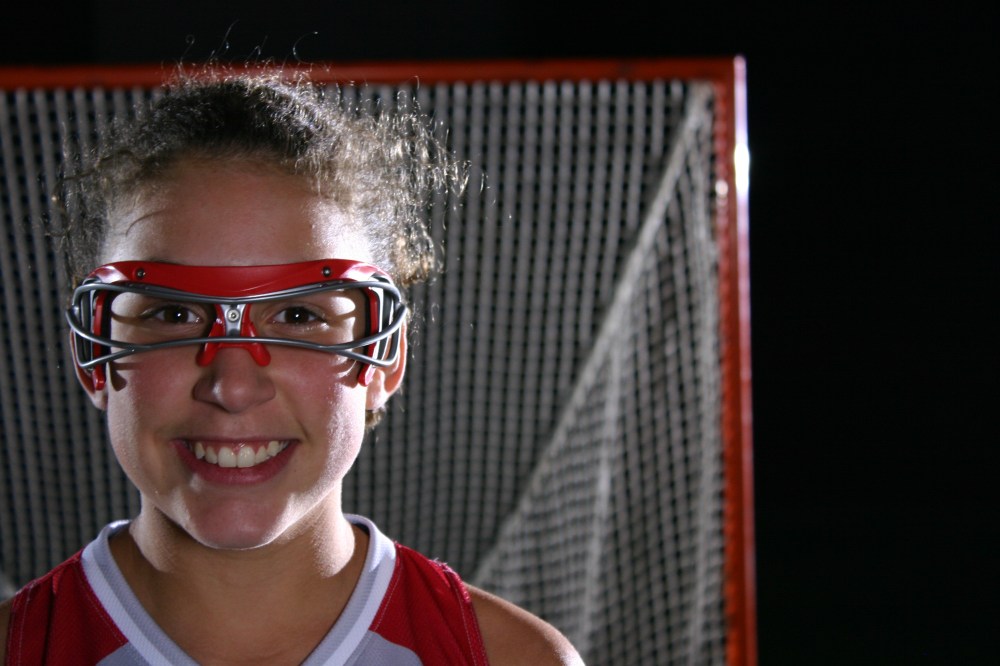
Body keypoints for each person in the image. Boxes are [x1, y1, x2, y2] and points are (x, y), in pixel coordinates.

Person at [0, 71, 582, 665]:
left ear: (386, 357)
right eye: (173, 313)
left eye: (299, 316)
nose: (232, 386)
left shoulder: (512, 658)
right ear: (93, 356)